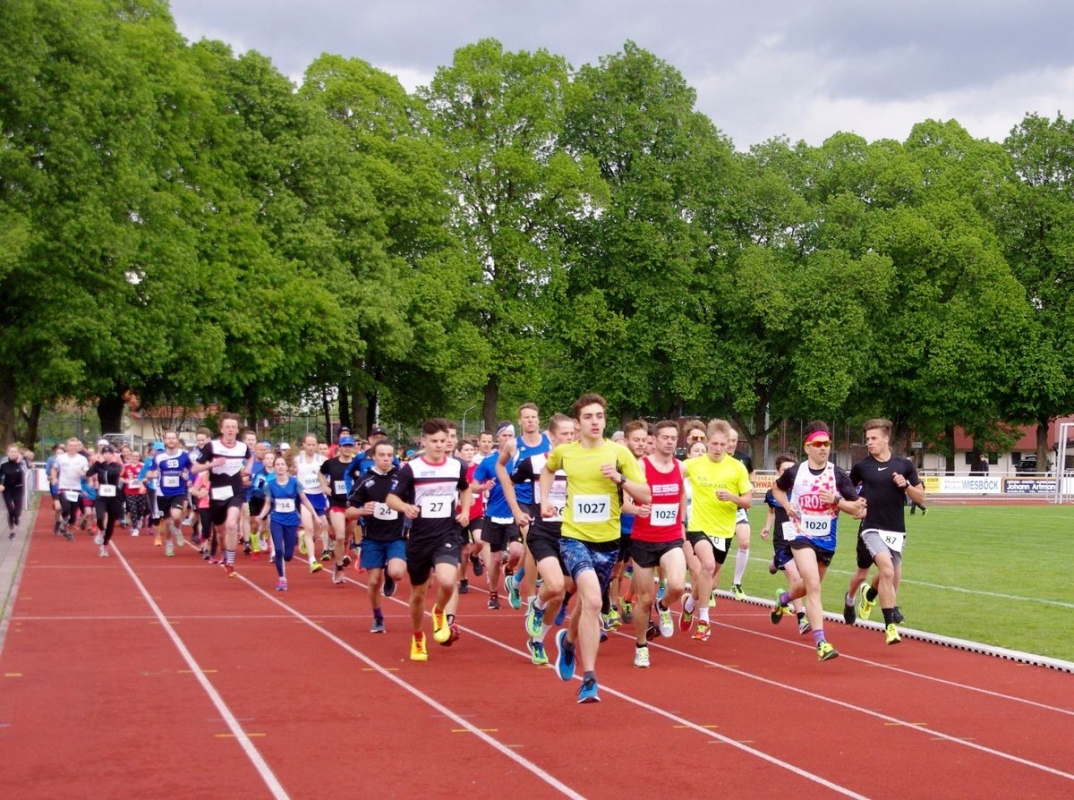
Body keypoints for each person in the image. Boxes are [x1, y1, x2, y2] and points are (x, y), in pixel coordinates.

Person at [542, 393, 650, 704]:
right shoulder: (565, 452)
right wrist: (545, 500)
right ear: (577, 423)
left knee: (586, 606)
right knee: (590, 599)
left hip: (608, 542)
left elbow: (645, 495)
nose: (594, 422)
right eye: (588, 417)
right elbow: (548, 470)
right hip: (574, 537)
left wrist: (620, 479)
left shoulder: (620, 454)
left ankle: (569, 642)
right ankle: (589, 678)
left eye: (599, 416)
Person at [771, 426, 861, 660]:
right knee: (813, 585)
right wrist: (786, 505)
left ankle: (784, 599)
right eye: (818, 444)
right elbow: (776, 489)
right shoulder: (796, 472)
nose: (824, 448)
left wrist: (836, 500)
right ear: (807, 447)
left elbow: (857, 509)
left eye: (827, 444)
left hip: (827, 540)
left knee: (808, 585)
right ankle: (821, 643)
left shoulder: (838, 475)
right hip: (800, 535)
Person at [386, 418, 472, 662]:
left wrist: (464, 510)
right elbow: (391, 499)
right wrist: (405, 507)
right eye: (434, 441)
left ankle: (439, 611)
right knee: (418, 595)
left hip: (447, 533)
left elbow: (465, 488)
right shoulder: (412, 469)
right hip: (420, 537)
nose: (439, 445)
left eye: (443, 441)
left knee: (447, 581)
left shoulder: (457, 467)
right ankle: (417, 636)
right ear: (424, 441)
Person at [843, 418, 925, 644]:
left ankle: (869, 595)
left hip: (896, 530)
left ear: (886, 439)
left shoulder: (904, 466)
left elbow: (921, 497)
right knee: (887, 571)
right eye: (867, 439)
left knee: (888, 573)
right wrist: (855, 506)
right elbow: (848, 492)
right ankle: (889, 626)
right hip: (871, 528)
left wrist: (906, 485)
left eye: (873, 438)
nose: (869, 443)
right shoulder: (862, 467)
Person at [512, 413, 576, 665]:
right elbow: (508, 480)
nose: (570, 438)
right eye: (565, 434)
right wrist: (519, 511)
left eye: (573, 434)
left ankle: (537, 640)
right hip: (544, 533)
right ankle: (537, 605)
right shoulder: (535, 462)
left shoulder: (581, 464)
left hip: (572, 535)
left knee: (560, 596)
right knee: (556, 585)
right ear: (551, 437)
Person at [681, 420, 752, 642]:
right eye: (714, 443)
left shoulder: (737, 467)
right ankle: (704, 620)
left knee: (710, 581)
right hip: (698, 527)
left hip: (723, 530)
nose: (719, 448)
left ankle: (690, 603)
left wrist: (732, 497)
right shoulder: (693, 464)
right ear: (707, 441)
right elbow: (667, 474)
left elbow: (748, 502)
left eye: (723, 444)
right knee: (708, 566)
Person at [627, 420, 688, 668]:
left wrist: (682, 520)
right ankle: (641, 646)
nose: (670, 441)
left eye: (674, 438)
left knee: (676, 585)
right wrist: (636, 510)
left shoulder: (680, 467)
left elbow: (682, 493)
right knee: (643, 599)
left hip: (670, 537)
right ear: (656, 439)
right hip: (643, 540)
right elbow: (623, 501)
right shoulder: (641, 466)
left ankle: (663, 606)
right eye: (665, 437)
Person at [496, 403, 552, 613]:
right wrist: (506, 482)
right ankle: (531, 598)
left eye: (533, 417)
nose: (530, 420)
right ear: (520, 421)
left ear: (538, 420)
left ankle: (516, 580)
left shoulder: (549, 442)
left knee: (535, 547)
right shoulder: (513, 445)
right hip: (521, 500)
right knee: (532, 544)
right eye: (526, 417)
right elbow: (500, 465)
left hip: (542, 500)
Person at [348, 440, 407, 633]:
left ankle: (389, 574)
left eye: (390, 455)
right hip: (372, 538)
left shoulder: (401, 478)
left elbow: (414, 500)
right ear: (373, 456)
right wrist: (362, 510)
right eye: (382, 455)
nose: (386, 459)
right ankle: (378, 616)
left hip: (396, 536)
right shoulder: (365, 480)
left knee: (397, 572)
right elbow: (348, 512)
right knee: (373, 582)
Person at [192, 414, 254, 578]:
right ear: (221, 429)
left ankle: (231, 563)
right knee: (220, 531)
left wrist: (248, 468)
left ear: (237, 429)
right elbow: (195, 469)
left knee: (232, 524)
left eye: (233, 427)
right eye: (227, 427)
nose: (230, 430)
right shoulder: (211, 447)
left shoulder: (242, 447)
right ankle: (224, 553)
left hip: (236, 490)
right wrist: (213, 464)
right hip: (217, 492)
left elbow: (251, 457)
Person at [471, 422, 521, 610]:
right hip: (494, 514)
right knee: (496, 558)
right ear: (498, 438)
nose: (508, 439)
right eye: (504, 436)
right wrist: (484, 487)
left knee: (516, 551)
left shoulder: (520, 459)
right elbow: (473, 485)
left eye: (511, 436)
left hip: (515, 512)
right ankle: (493, 594)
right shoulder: (488, 461)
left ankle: (509, 570)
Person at [759, 454, 810, 636]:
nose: (789, 474)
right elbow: (771, 512)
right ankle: (802, 618)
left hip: (801, 539)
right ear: (778, 472)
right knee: (795, 578)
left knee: (806, 578)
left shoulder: (803, 491)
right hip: (782, 540)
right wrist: (766, 528)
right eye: (784, 471)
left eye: (791, 470)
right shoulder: (773, 492)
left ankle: (775, 564)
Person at [257, 454, 318, 591]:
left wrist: (315, 516)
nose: (280, 467)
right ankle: (282, 579)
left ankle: (299, 538)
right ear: (274, 468)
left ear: (286, 467)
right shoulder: (270, 484)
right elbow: (267, 504)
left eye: (282, 464)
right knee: (278, 550)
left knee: (288, 556)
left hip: (292, 520)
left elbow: (305, 500)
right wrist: (261, 516)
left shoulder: (294, 482)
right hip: (277, 519)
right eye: (277, 464)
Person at [148, 430, 193, 557]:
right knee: (167, 523)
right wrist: (153, 474)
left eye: (173, 438)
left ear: (177, 440)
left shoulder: (185, 455)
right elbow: (149, 473)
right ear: (165, 441)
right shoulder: (158, 457)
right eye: (169, 438)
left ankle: (178, 530)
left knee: (177, 515)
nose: (171, 440)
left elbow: (193, 471)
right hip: (162, 493)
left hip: (178, 491)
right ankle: (169, 544)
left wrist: (187, 476)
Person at [727, 427, 754, 599]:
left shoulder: (743, 459)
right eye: (728, 440)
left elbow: (751, 472)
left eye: (733, 441)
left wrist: (749, 487)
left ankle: (736, 583)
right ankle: (708, 586)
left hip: (738, 509)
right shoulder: (714, 459)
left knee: (744, 542)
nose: (730, 444)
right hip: (717, 511)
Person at [50, 438, 88, 540]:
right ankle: (63, 522)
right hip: (64, 487)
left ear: (78, 447)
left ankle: (69, 531)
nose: (73, 448)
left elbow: (87, 473)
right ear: (67, 447)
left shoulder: (82, 459)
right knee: (65, 508)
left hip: (76, 489)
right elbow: (54, 468)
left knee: (73, 513)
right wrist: (54, 478)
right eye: (71, 446)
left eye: (75, 446)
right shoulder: (61, 458)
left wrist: (83, 474)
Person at [1, 444, 28, 539]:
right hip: (7, 489)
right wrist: (0, 484)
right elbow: (1, 475)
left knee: (17, 511)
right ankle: (12, 531)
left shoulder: (22, 463)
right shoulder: (3, 465)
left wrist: (19, 461)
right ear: (8, 453)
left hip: (18, 488)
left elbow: (25, 471)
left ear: (18, 453)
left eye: (15, 452)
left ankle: (16, 517)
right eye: (11, 452)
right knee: (10, 510)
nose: (13, 454)